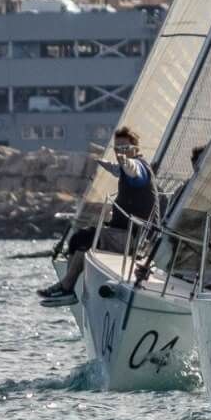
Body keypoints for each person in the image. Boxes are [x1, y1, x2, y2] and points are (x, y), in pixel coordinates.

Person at [39, 126, 157, 306]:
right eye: (118, 148)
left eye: (125, 148)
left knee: (85, 238)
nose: (120, 152)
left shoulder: (139, 167)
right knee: (77, 238)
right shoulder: (124, 169)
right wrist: (105, 163)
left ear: (136, 148)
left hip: (131, 238)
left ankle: (67, 287)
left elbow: (133, 171)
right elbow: (118, 169)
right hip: (120, 233)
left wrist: (126, 163)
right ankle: (66, 286)